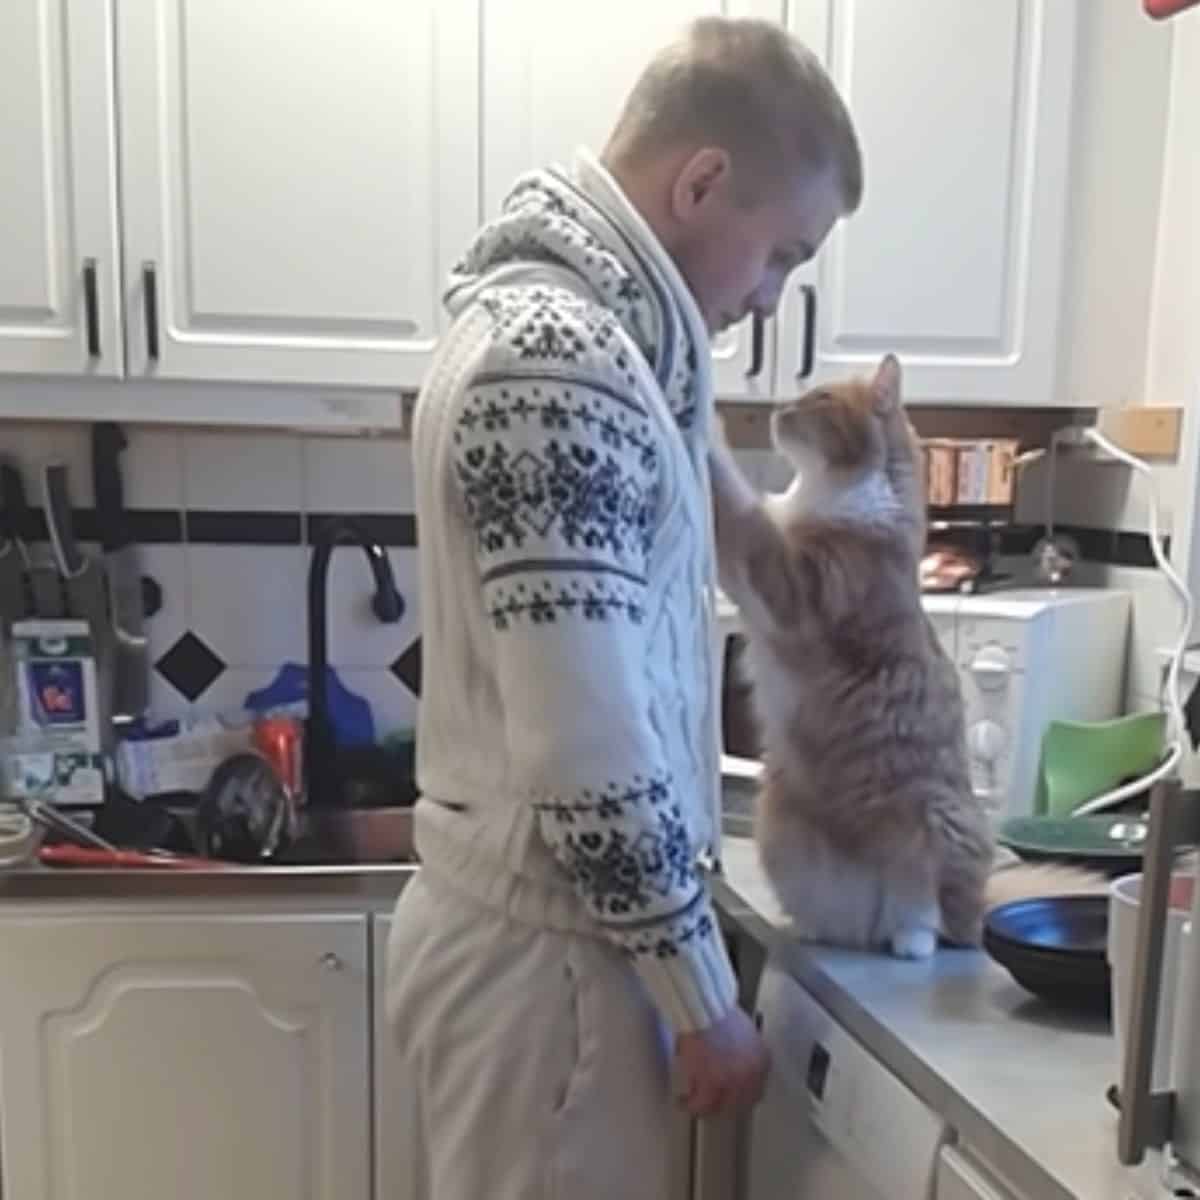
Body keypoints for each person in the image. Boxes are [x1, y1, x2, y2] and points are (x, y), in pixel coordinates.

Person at [386, 17, 862, 1199]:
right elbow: (586, 745)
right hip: (552, 974)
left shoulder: (594, 345)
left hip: (541, 958)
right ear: (701, 182)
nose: (769, 297)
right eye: (783, 255)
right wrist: (702, 999)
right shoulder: (560, 363)